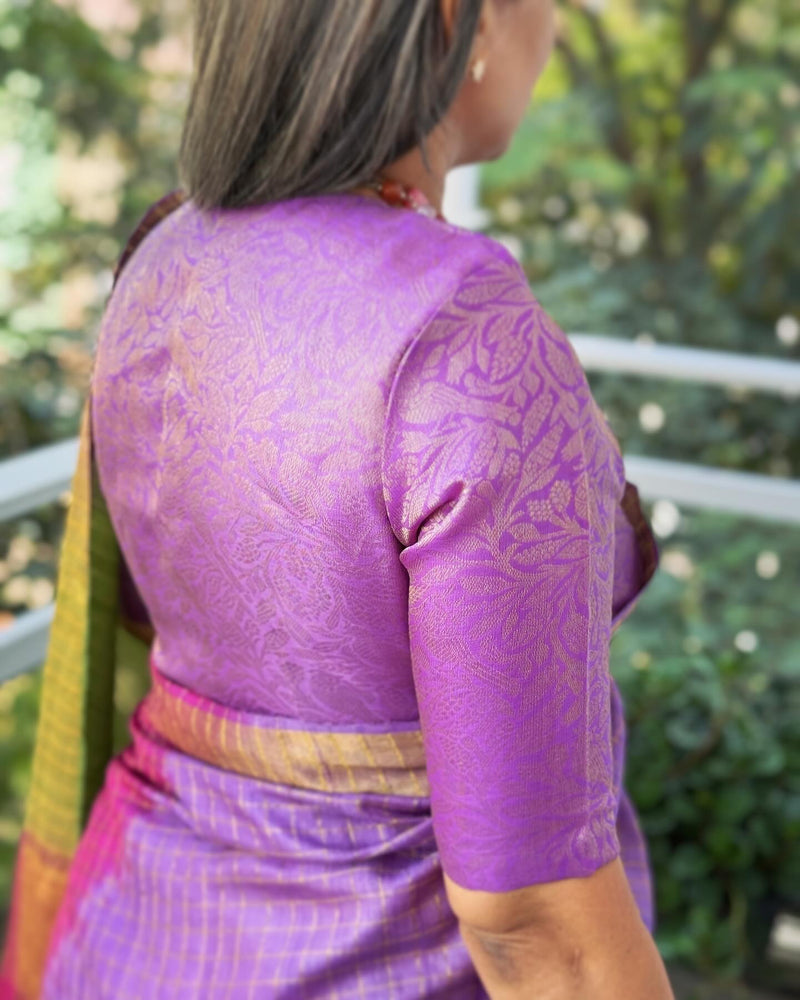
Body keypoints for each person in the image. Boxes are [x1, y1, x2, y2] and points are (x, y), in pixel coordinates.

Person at [2, 1, 675, 997]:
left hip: (127, 938)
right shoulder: (466, 337)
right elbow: (538, 928)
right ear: (458, 19)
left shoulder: (164, 255)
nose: (560, 24)